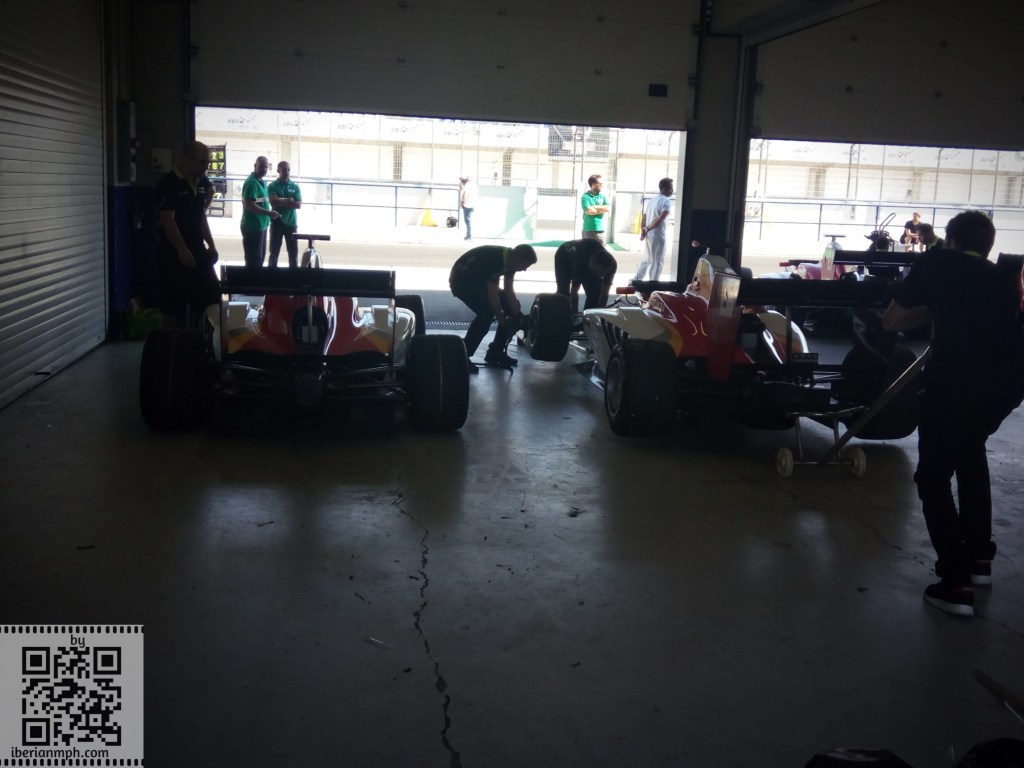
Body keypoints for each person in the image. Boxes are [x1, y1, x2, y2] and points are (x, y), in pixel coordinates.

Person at [882, 210, 1024, 617]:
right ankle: (978, 559)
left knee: (933, 477)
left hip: (957, 382)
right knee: (970, 451)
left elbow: (892, 321)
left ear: (950, 240)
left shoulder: (937, 262)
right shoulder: (1003, 274)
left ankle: (955, 584)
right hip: (1009, 383)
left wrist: (935, 308)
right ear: (987, 246)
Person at [154, 140, 220, 329]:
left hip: (198, 250)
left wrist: (211, 245)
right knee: (172, 308)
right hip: (173, 255)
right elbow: (168, 219)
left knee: (212, 298)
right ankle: (166, 343)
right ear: (187, 159)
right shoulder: (169, 184)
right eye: (202, 162)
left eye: (207, 163)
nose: (205, 167)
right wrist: (182, 249)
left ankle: (205, 341)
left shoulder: (201, 182)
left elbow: (201, 216)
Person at [449, 244, 538, 370]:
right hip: (462, 282)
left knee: (511, 306)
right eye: (525, 266)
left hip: (479, 281)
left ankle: (495, 352)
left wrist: (518, 316)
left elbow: (508, 291)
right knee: (486, 314)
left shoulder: (511, 261)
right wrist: (503, 321)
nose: (525, 270)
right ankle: (462, 356)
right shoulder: (495, 260)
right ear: (518, 260)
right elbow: (493, 296)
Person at [554, 239, 617, 312]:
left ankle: (589, 315)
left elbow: (605, 292)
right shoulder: (580, 264)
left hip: (586, 254)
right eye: (600, 273)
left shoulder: (612, 266)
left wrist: (600, 313)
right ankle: (561, 314)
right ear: (594, 265)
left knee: (595, 294)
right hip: (564, 254)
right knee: (563, 293)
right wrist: (574, 314)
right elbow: (574, 292)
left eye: (605, 274)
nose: (602, 276)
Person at [240, 156, 281, 268]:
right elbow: (249, 204)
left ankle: (256, 278)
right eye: (261, 166)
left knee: (259, 258)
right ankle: (252, 279)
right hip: (253, 227)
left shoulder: (261, 182)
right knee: (254, 261)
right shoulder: (252, 182)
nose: (264, 169)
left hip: (261, 225)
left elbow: (257, 200)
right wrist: (269, 213)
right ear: (255, 166)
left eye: (266, 167)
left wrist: (270, 198)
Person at [635, 178, 674, 281]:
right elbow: (660, 218)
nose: (672, 190)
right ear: (663, 188)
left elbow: (644, 217)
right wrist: (647, 228)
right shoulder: (666, 201)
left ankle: (636, 280)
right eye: (670, 188)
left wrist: (643, 230)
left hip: (649, 234)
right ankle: (653, 283)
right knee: (657, 261)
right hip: (658, 235)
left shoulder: (652, 200)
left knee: (647, 259)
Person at [267, 161, 302, 268]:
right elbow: (273, 202)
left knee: (293, 253)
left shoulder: (295, 186)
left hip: (291, 223)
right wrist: (289, 200)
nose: (286, 172)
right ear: (278, 171)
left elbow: (298, 205)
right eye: (284, 170)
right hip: (276, 223)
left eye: (288, 169)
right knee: (274, 252)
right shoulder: (272, 186)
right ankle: (271, 276)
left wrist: (280, 201)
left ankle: (294, 276)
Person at [581, 174, 610, 243]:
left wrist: (594, 207)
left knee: (601, 249)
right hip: (587, 230)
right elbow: (589, 211)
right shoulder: (585, 197)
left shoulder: (602, 196)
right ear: (593, 184)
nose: (602, 185)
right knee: (588, 249)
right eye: (600, 184)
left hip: (599, 229)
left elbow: (607, 208)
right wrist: (601, 210)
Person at [459, 176, 477, 241]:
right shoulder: (474, 186)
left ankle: (469, 236)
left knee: (467, 221)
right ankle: (468, 236)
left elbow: (464, 194)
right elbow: (476, 196)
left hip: (467, 205)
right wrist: (475, 206)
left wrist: (462, 202)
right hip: (471, 205)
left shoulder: (467, 185)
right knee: (468, 221)